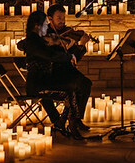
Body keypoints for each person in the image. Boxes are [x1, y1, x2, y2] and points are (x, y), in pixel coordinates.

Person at [16, 10, 93, 140]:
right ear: (37, 26)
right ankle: (67, 124)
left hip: (45, 81)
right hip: (37, 85)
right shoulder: (33, 41)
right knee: (71, 91)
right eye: (45, 24)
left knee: (74, 88)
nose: (47, 27)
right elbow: (50, 55)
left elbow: (51, 53)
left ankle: (63, 123)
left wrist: (70, 50)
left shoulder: (38, 40)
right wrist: (69, 56)